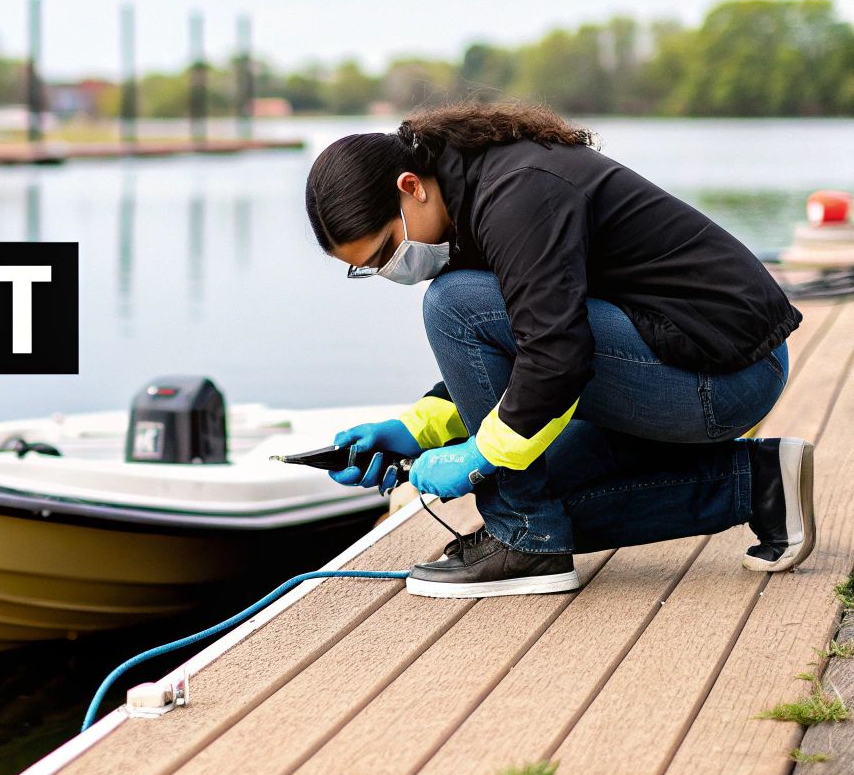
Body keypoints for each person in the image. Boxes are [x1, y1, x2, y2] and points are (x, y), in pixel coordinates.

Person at [306, 102, 811, 598]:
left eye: (385, 251)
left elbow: (555, 356)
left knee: (451, 305)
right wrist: (416, 429)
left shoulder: (516, 194)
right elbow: (521, 346)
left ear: (410, 187)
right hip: (685, 363)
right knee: (544, 497)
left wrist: (479, 454)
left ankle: (524, 543)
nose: (390, 270)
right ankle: (760, 484)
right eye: (368, 268)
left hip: (724, 373)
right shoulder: (469, 203)